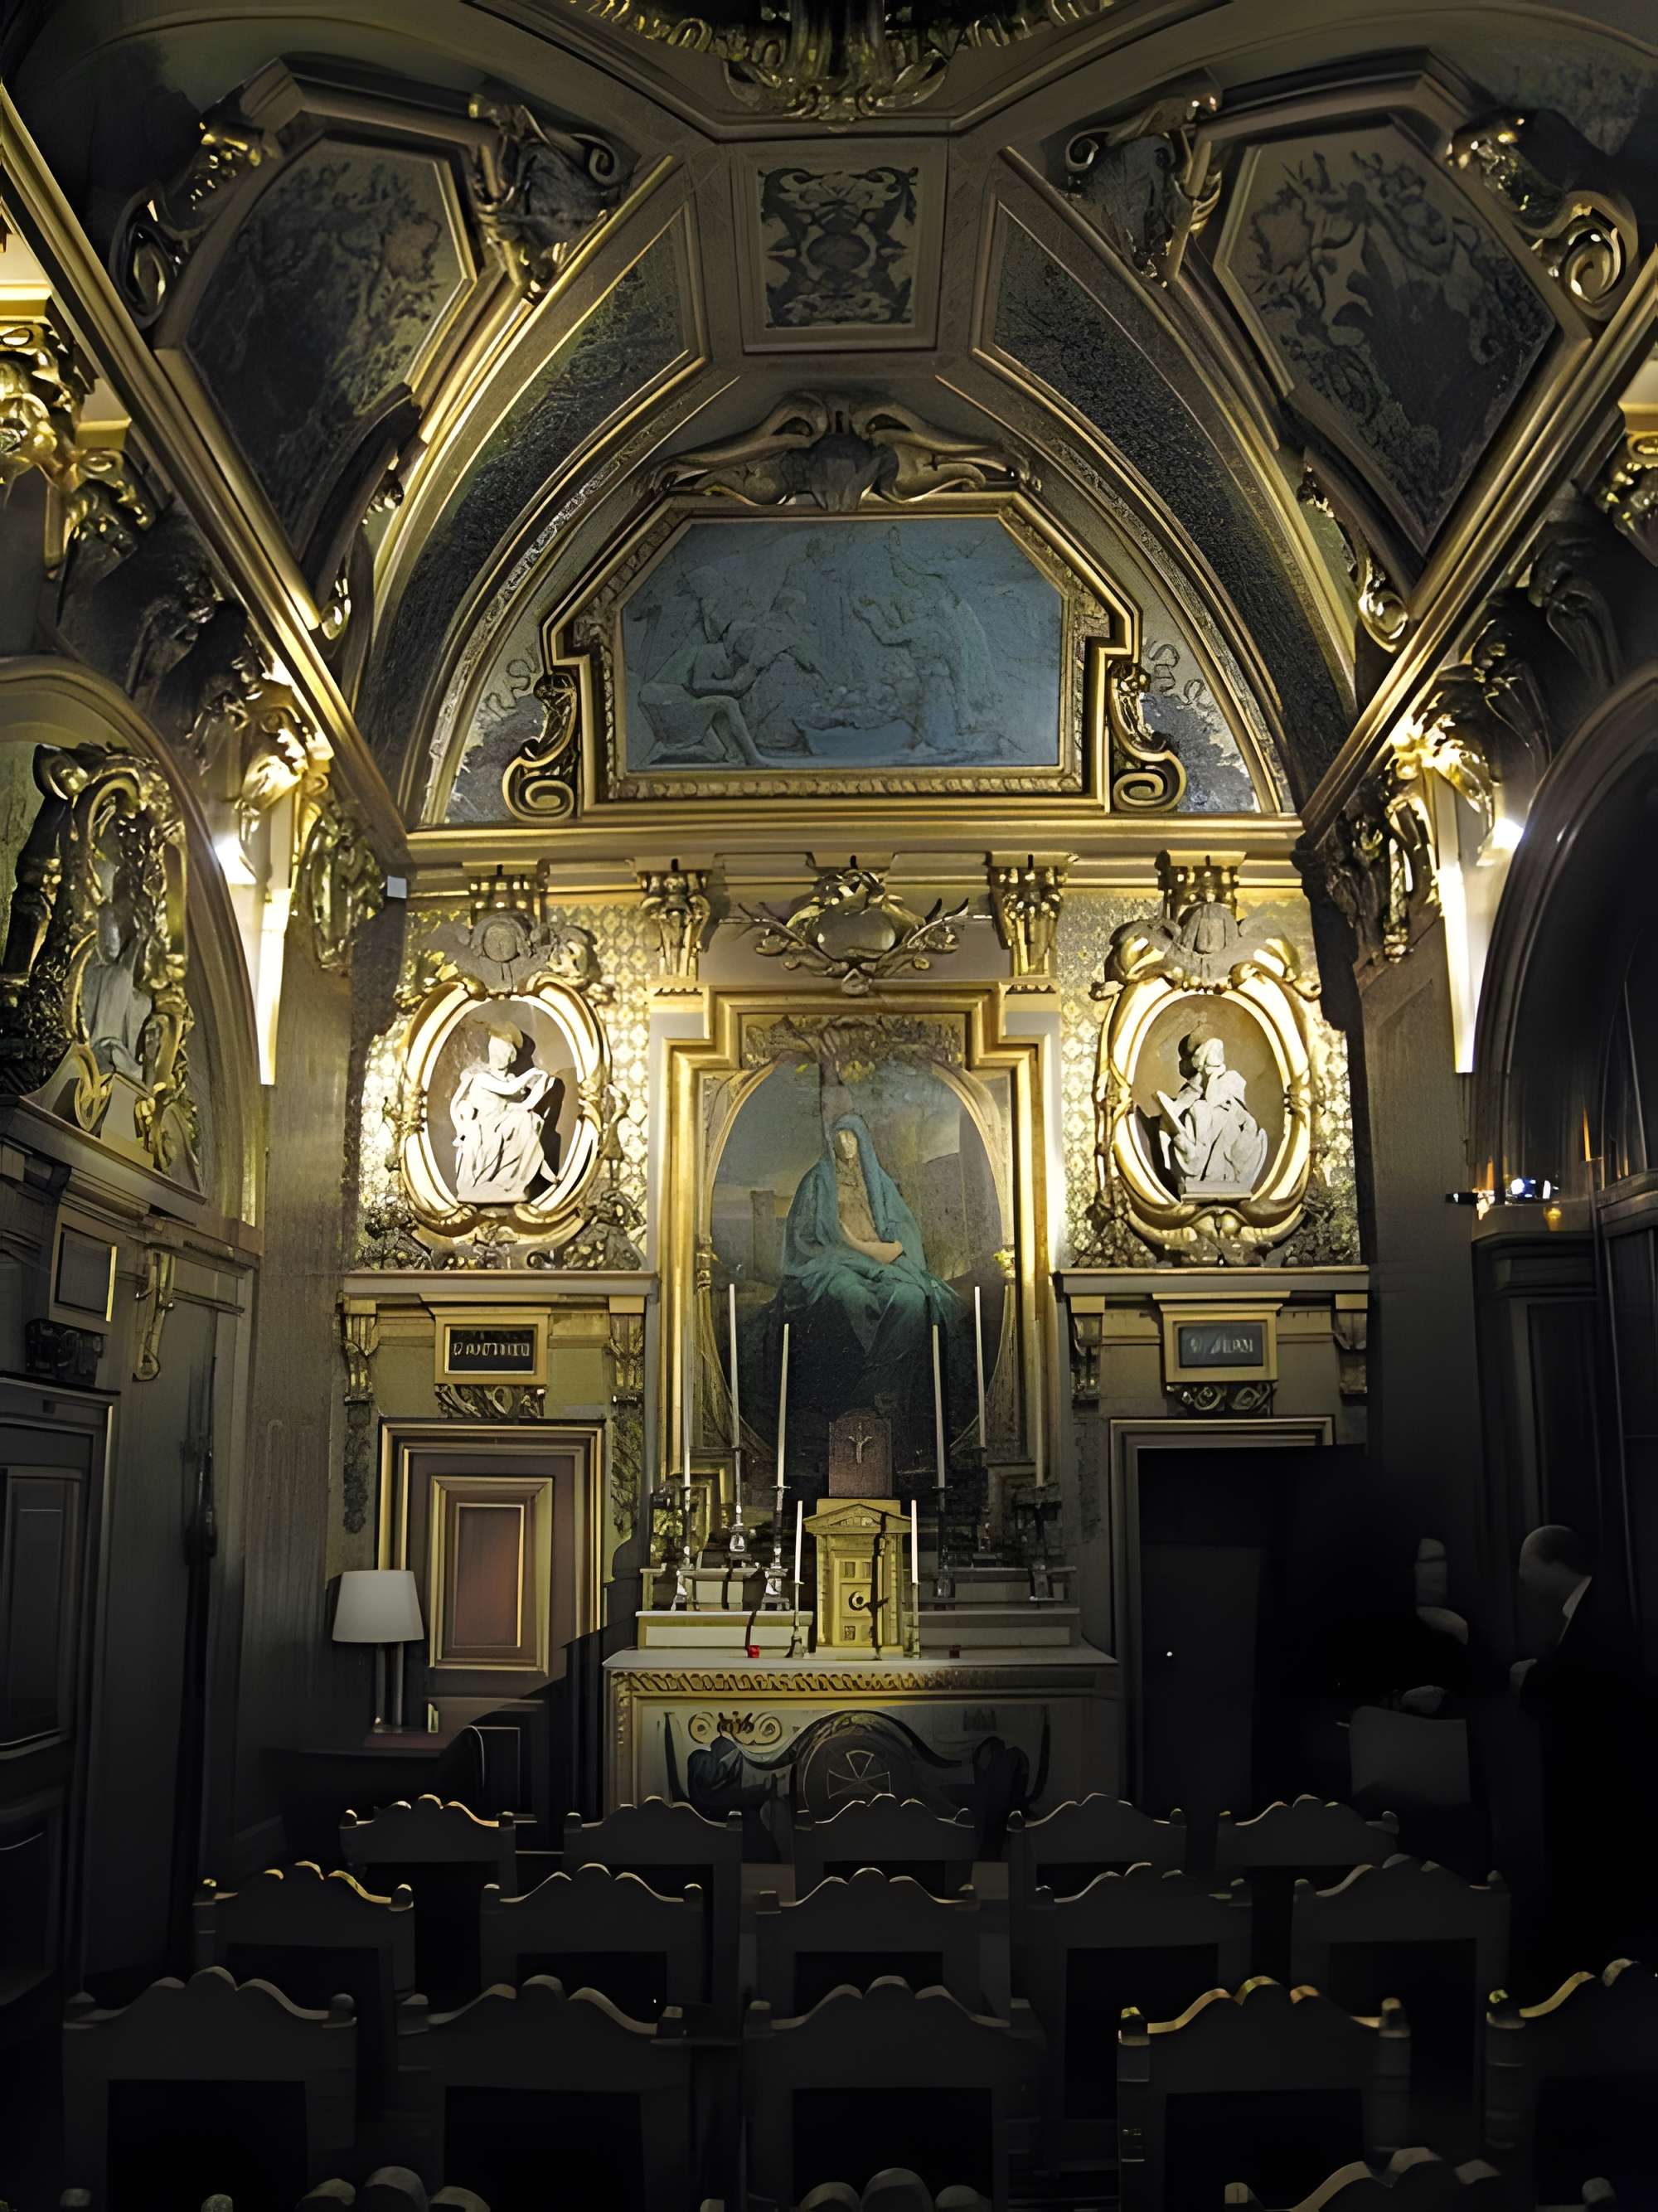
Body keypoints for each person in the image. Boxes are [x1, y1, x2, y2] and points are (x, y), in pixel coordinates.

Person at [775, 1113, 966, 1462]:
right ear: (831, 1141)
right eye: (840, 1136)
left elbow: (901, 1234)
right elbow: (803, 1239)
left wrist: (877, 1250)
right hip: (832, 1262)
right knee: (852, 1296)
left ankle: (877, 1387)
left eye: (853, 1137)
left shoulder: (879, 1182)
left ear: (863, 1141)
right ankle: (865, 1393)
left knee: (913, 1297)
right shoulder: (817, 1182)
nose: (846, 1144)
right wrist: (848, 1246)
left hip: (880, 1263)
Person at [1514, 1525, 1658, 1972]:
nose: (1522, 1577)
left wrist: (1530, 1679)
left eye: (1527, 1565)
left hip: (1604, 1784)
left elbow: (1587, 1687)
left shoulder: (1602, 1612)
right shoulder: (1593, 1608)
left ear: (1553, 1563)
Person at [449, 1021, 562, 1204]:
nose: (498, 1055)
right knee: (521, 1120)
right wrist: (533, 1073)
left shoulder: (511, 1078)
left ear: (510, 1055)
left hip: (501, 1123)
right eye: (495, 1050)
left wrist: (545, 1086)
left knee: (529, 1119)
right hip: (486, 1126)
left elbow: (524, 1106)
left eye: (502, 1051)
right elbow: (509, 1089)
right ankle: (497, 1182)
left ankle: (511, 1181)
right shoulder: (481, 1077)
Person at [1155, 1031, 1268, 1193]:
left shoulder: (1229, 1082)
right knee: (1199, 1113)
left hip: (1229, 1159)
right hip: (1197, 1166)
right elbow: (1183, 1104)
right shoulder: (1190, 1093)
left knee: (1205, 1112)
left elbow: (1238, 1113)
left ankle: (1205, 1168)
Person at [80, 900, 153, 1079]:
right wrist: (138, 941)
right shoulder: (95, 967)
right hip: (96, 1047)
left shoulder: (121, 976)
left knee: (141, 1000)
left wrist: (138, 940)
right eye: (106, 932)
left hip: (115, 1052)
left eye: (115, 934)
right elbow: (123, 972)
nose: (111, 940)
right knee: (120, 978)